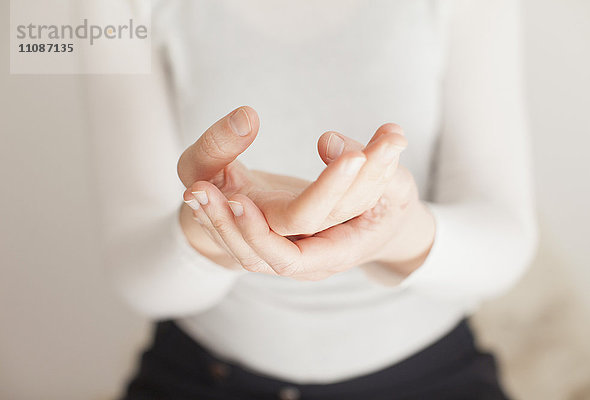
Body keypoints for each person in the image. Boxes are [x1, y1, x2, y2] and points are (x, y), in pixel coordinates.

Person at [87, 1, 537, 399]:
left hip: (432, 378)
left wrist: (395, 232)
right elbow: (137, 276)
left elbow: (505, 242)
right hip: (201, 376)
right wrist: (209, 226)